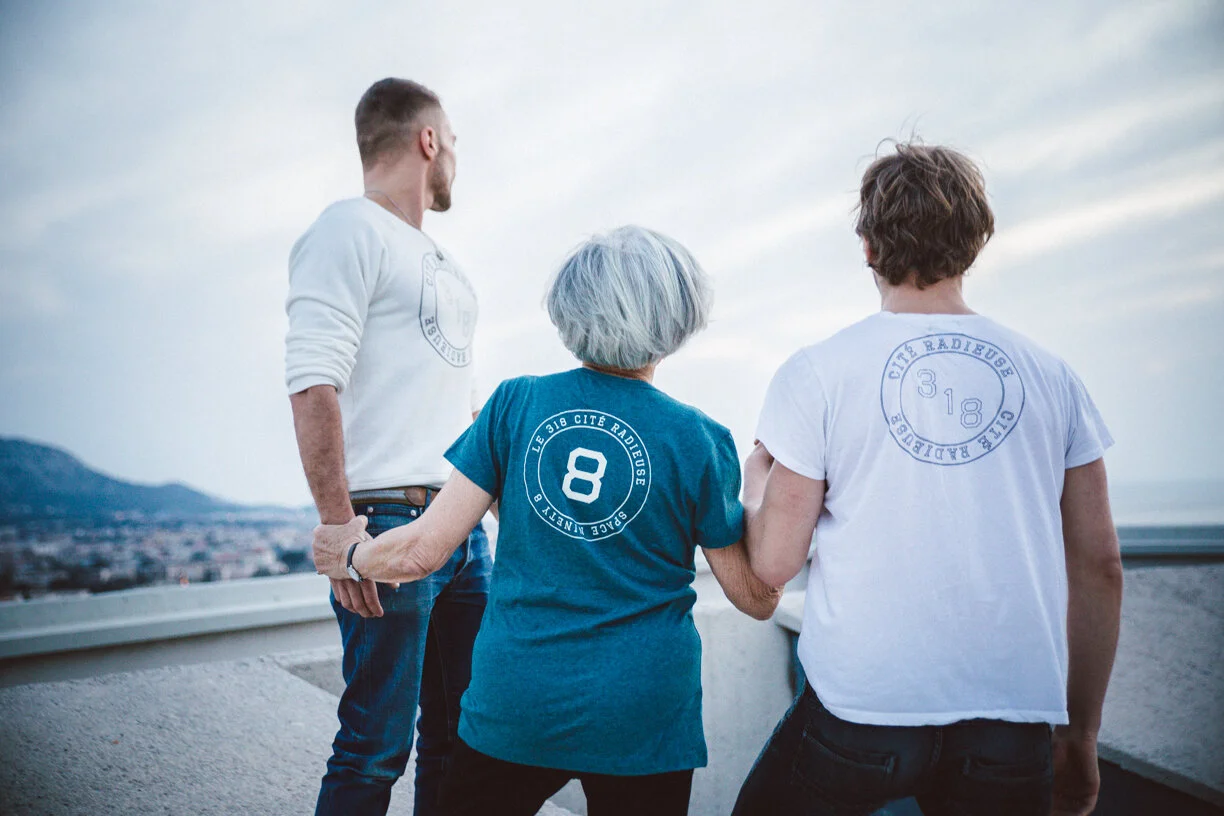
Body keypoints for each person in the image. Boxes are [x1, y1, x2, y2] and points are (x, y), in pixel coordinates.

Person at [313, 225, 783, 816]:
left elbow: (421, 552)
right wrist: (761, 482)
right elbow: (756, 598)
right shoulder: (699, 438)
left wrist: (348, 554)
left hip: (516, 705)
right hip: (641, 716)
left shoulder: (515, 404)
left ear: (570, 310)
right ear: (677, 316)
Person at [731, 143, 1124, 816]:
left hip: (859, 711)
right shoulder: (1052, 377)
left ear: (867, 247)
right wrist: (1080, 735)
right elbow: (1100, 566)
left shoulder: (817, 372)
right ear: (975, 242)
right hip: (1009, 718)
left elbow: (772, 564)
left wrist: (755, 482)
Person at [285, 77, 490, 816]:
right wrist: (341, 528)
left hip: (463, 529)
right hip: (385, 524)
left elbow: (462, 407)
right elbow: (313, 379)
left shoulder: (444, 263)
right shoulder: (348, 229)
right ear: (428, 140)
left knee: (461, 741)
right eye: (453, 141)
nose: (456, 156)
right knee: (374, 745)